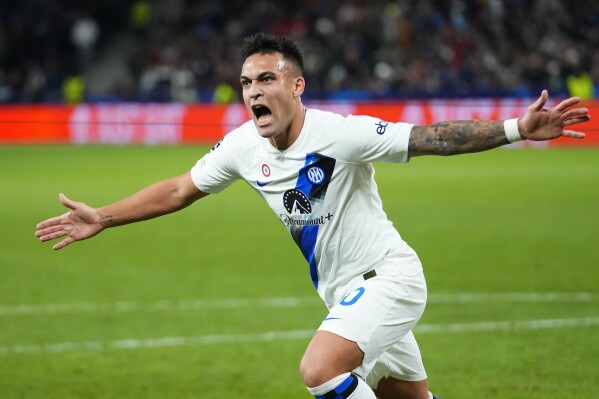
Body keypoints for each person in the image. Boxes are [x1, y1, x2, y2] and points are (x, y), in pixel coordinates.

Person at [35, 33, 591, 399]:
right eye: (247, 82)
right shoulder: (241, 147)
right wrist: (104, 217)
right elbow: (180, 188)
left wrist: (519, 129)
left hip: (390, 280)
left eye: (267, 80)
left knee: (319, 371)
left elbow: (429, 138)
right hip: (344, 293)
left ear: (296, 87)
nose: (254, 91)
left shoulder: (340, 134)